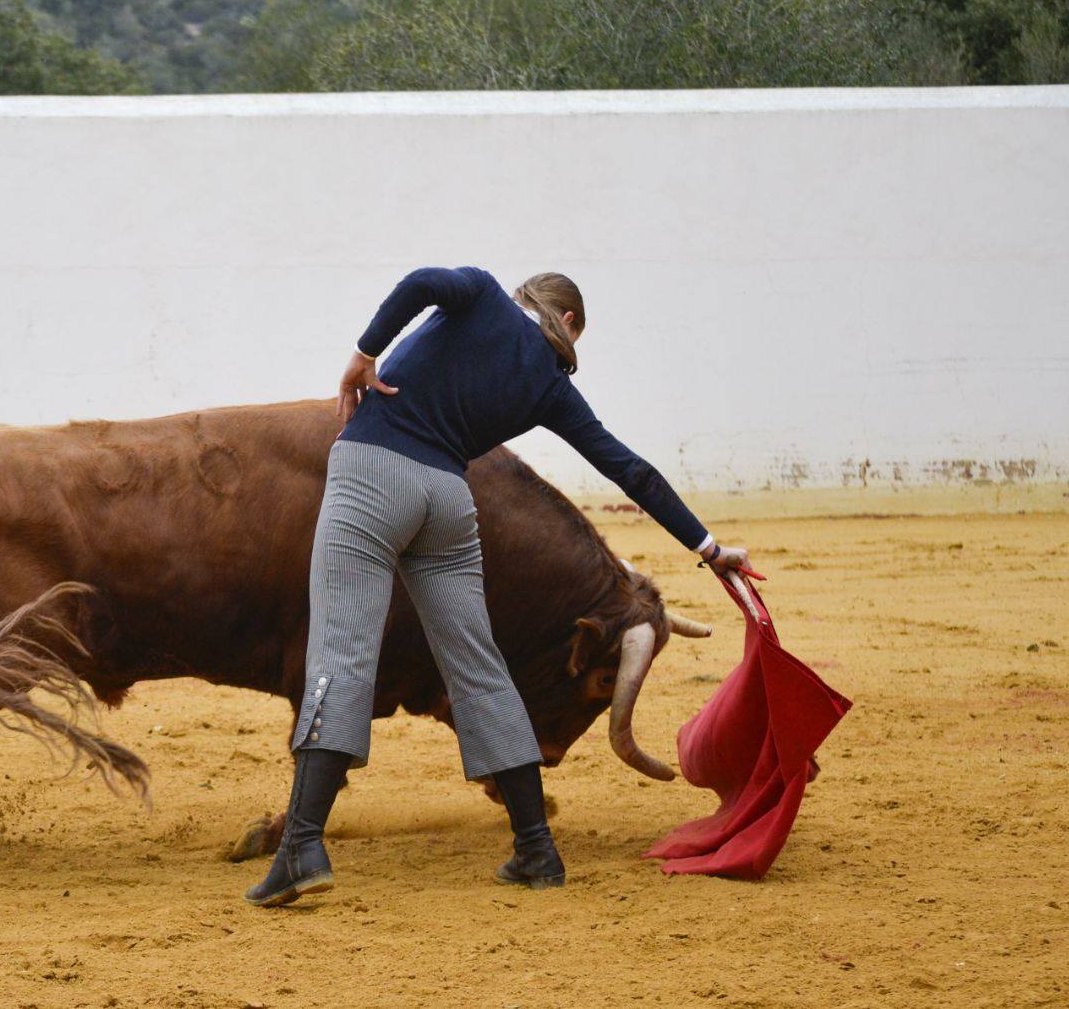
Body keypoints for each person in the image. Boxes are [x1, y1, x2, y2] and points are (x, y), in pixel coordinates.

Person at [244, 267, 751, 907]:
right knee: (480, 669)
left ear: (528, 300)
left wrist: (363, 356)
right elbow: (631, 470)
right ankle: (536, 848)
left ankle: (302, 848)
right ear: (567, 323)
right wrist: (709, 548)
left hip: (372, 474)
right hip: (448, 501)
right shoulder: (550, 387)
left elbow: (422, 281)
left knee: (342, 654)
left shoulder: (482, 294)